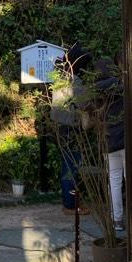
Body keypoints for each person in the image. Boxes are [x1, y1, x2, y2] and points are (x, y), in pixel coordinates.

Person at [50, 42, 93, 211]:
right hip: (71, 130)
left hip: (60, 130)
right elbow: (86, 105)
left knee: (66, 165)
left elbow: (54, 112)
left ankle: (68, 201)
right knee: (72, 167)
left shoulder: (59, 81)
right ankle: (71, 204)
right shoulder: (76, 82)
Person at [93, 55, 125, 232]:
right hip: (124, 140)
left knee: (113, 181)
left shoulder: (95, 91)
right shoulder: (121, 86)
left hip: (107, 141)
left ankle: (116, 220)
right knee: (130, 179)